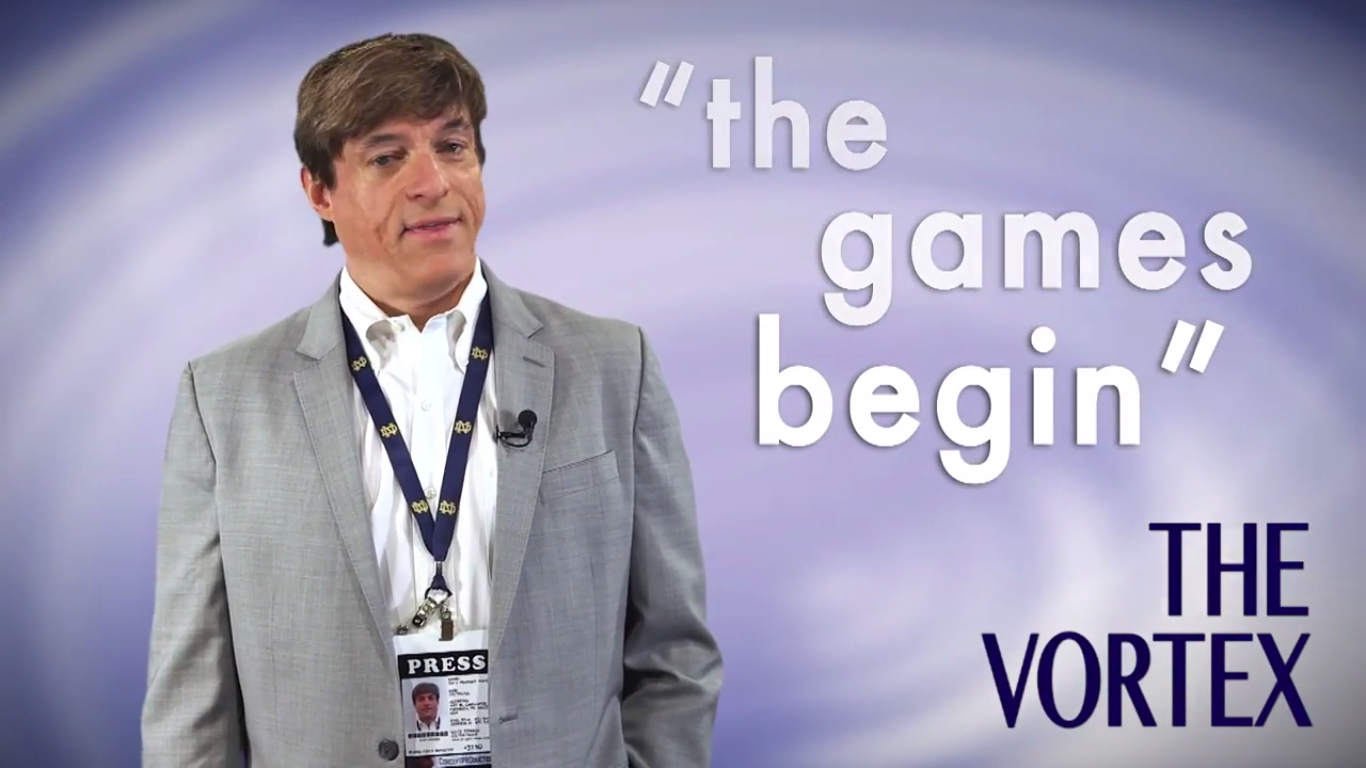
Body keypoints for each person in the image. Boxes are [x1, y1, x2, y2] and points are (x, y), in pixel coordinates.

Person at [141, 32, 723, 767]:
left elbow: (674, 653)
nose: (434, 182)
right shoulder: (222, 398)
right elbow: (191, 696)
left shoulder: (614, 365)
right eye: (388, 158)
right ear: (320, 192)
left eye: (452, 146)